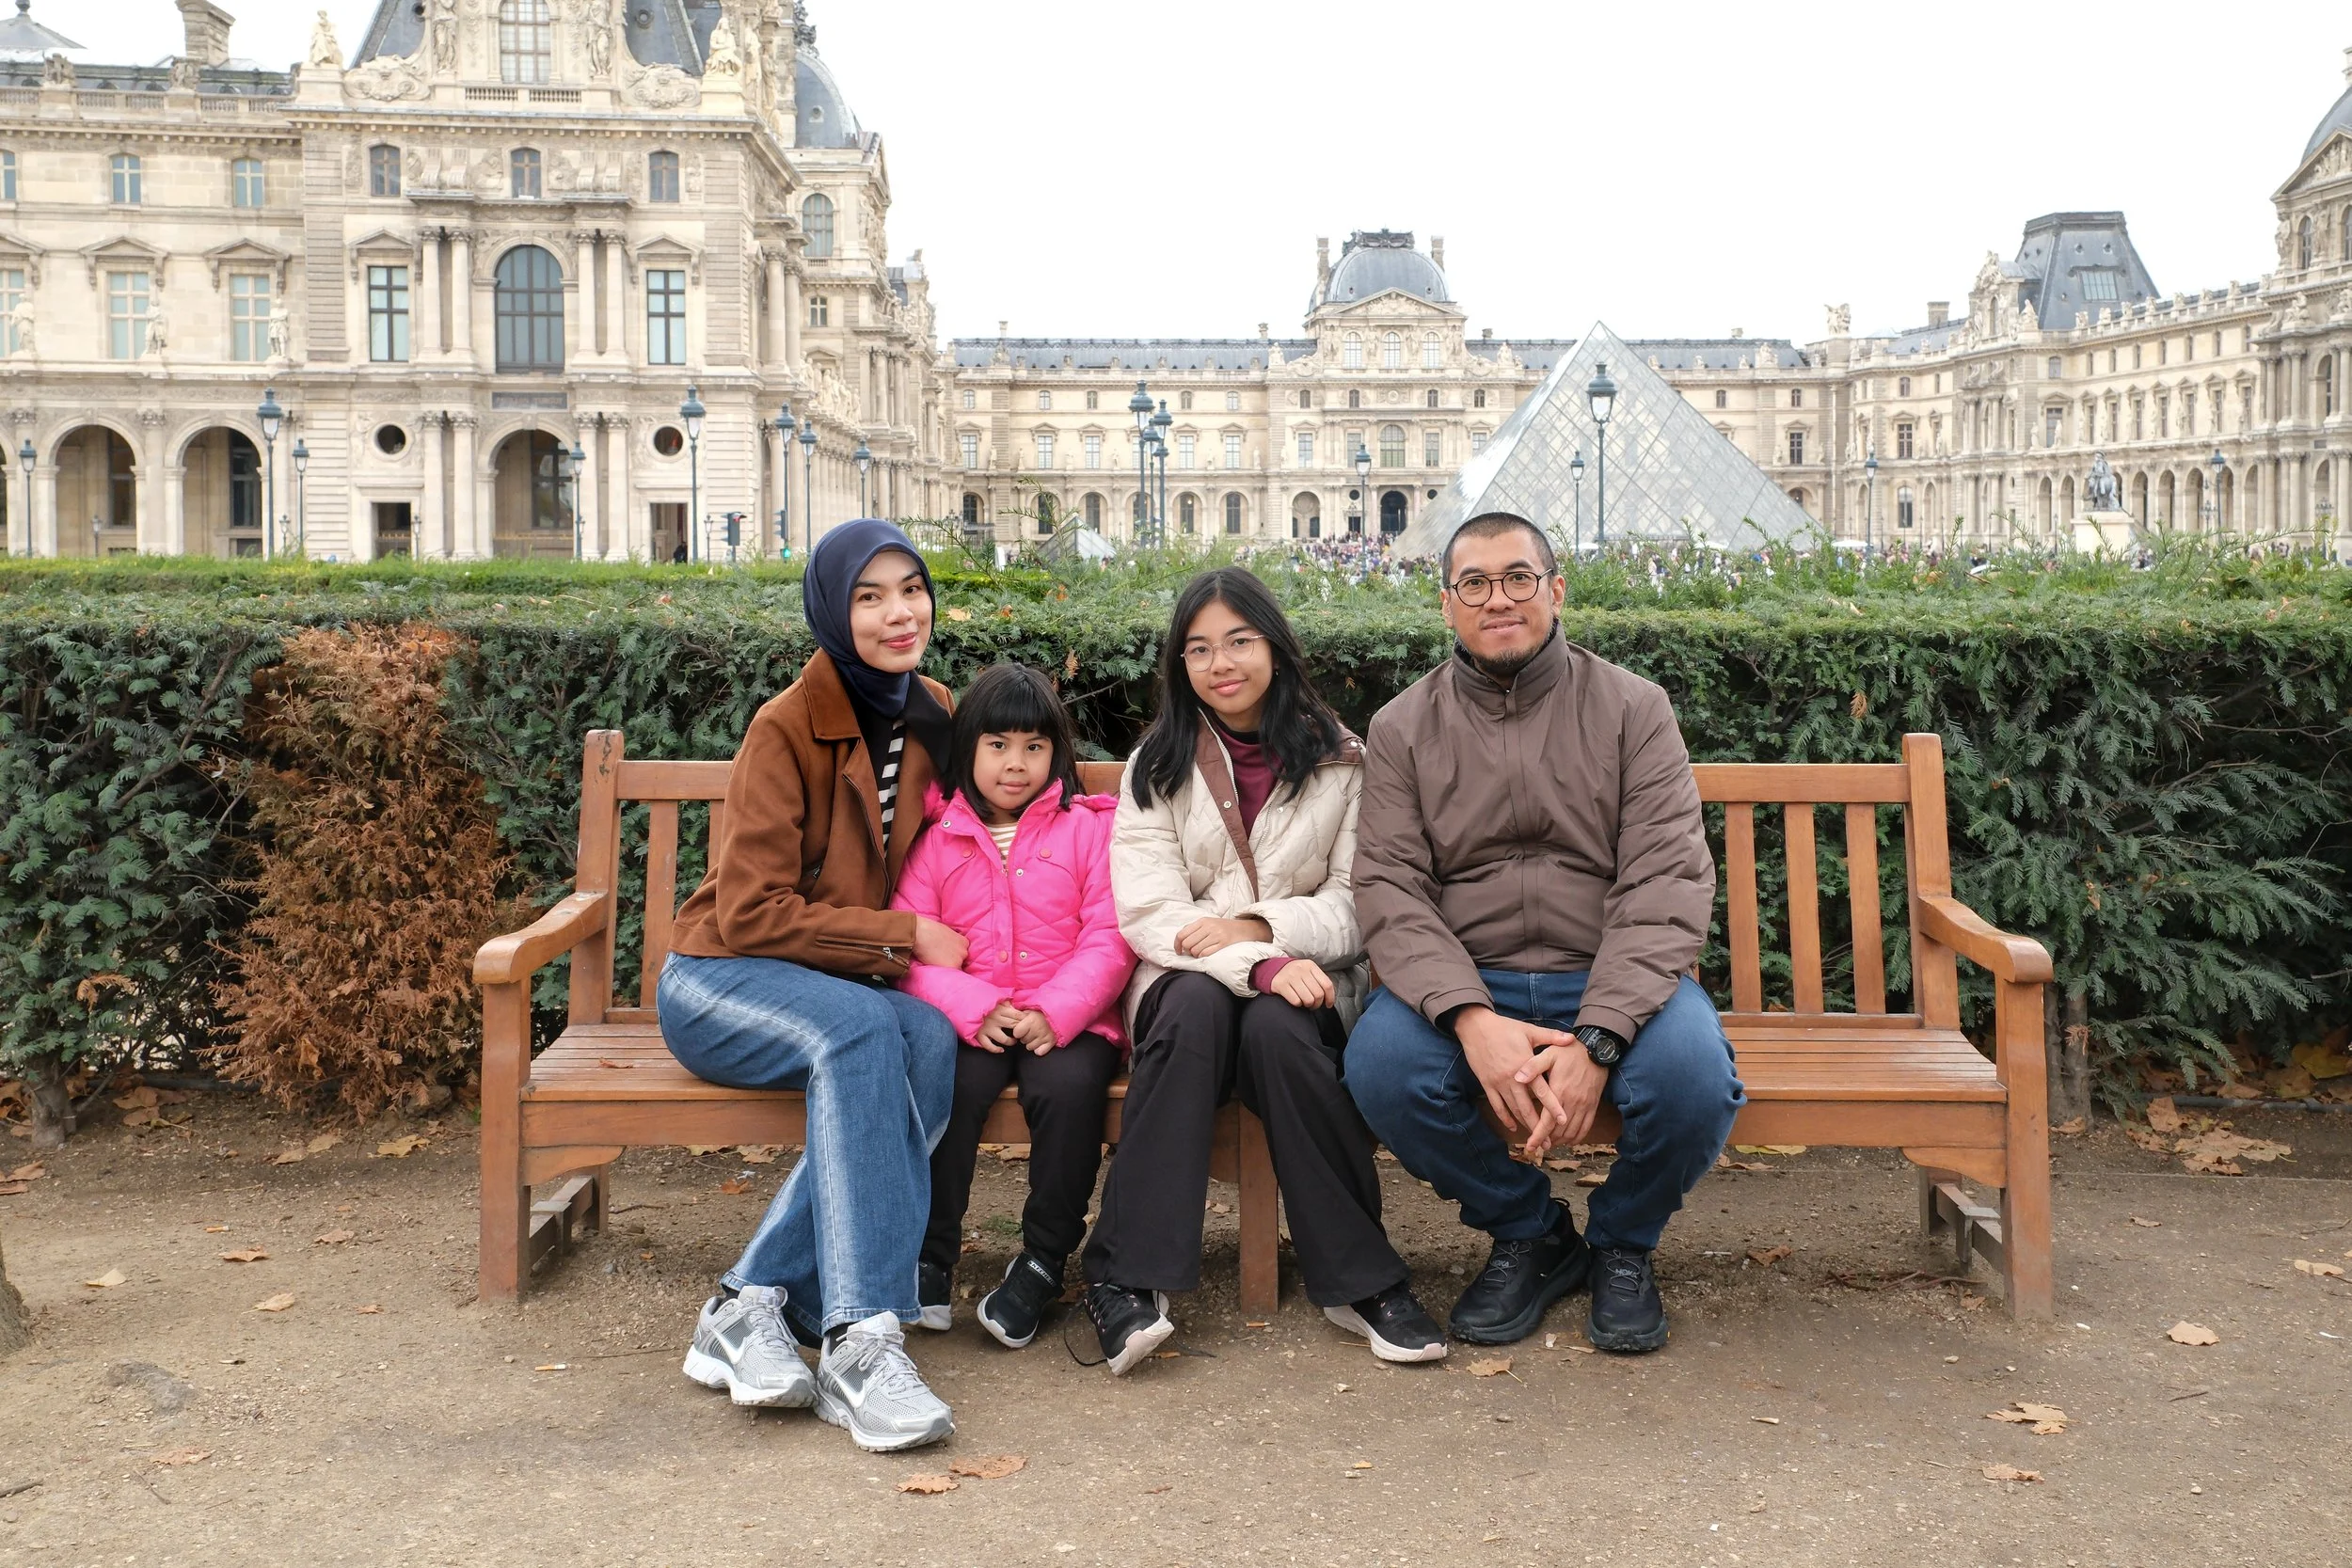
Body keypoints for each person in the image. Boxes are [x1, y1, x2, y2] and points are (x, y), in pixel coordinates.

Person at [1347, 512, 1743, 1354]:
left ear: (1556, 590)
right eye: (1476, 584)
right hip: (1469, 976)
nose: (1500, 599)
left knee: (1692, 1078)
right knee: (1381, 1067)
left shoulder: (1636, 708)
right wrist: (1468, 1018)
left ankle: (1622, 1245)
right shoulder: (1401, 727)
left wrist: (1599, 1036)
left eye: (1518, 578)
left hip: (1608, 972)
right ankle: (1529, 1230)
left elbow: (1665, 880)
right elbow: (1390, 887)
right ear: (1447, 604)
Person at [1080, 567, 1443, 1373]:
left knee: (1280, 1031)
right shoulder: (1157, 764)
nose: (1221, 663)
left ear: (1274, 645)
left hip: (1306, 983)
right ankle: (1124, 1277)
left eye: (1239, 641)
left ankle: (1363, 1280)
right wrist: (1260, 962)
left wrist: (1260, 932)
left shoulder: (1343, 760)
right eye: (1199, 648)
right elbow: (1149, 913)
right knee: (1193, 1013)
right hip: (1189, 980)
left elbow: (1359, 902)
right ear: (1180, 664)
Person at [657, 518, 966, 1451]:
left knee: (928, 1039)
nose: (896, 612)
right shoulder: (786, 723)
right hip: (720, 979)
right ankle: (860, 1337)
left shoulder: (935, 712)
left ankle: (748, 1302)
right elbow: (749, 912)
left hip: (838, 980)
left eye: (909, 588)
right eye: (868, 596)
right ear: (834, 610)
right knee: (868, 1033)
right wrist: (902, 936)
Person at [895, 663, 1134, 1350]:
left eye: (1034, 746)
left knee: (1068, 1091)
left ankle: (1041, 1259)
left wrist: (1057, 1012)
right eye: (997, 744)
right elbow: (909, 949)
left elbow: (1110, 935)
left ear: (1056, 752)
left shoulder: (1087, 829)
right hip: (970, 1019)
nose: (1015, 763)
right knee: (948, 1086)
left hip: (1070, 1017)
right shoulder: (937, 838)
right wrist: (975, 1006)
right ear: (968, 747)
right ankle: (931, 1255)